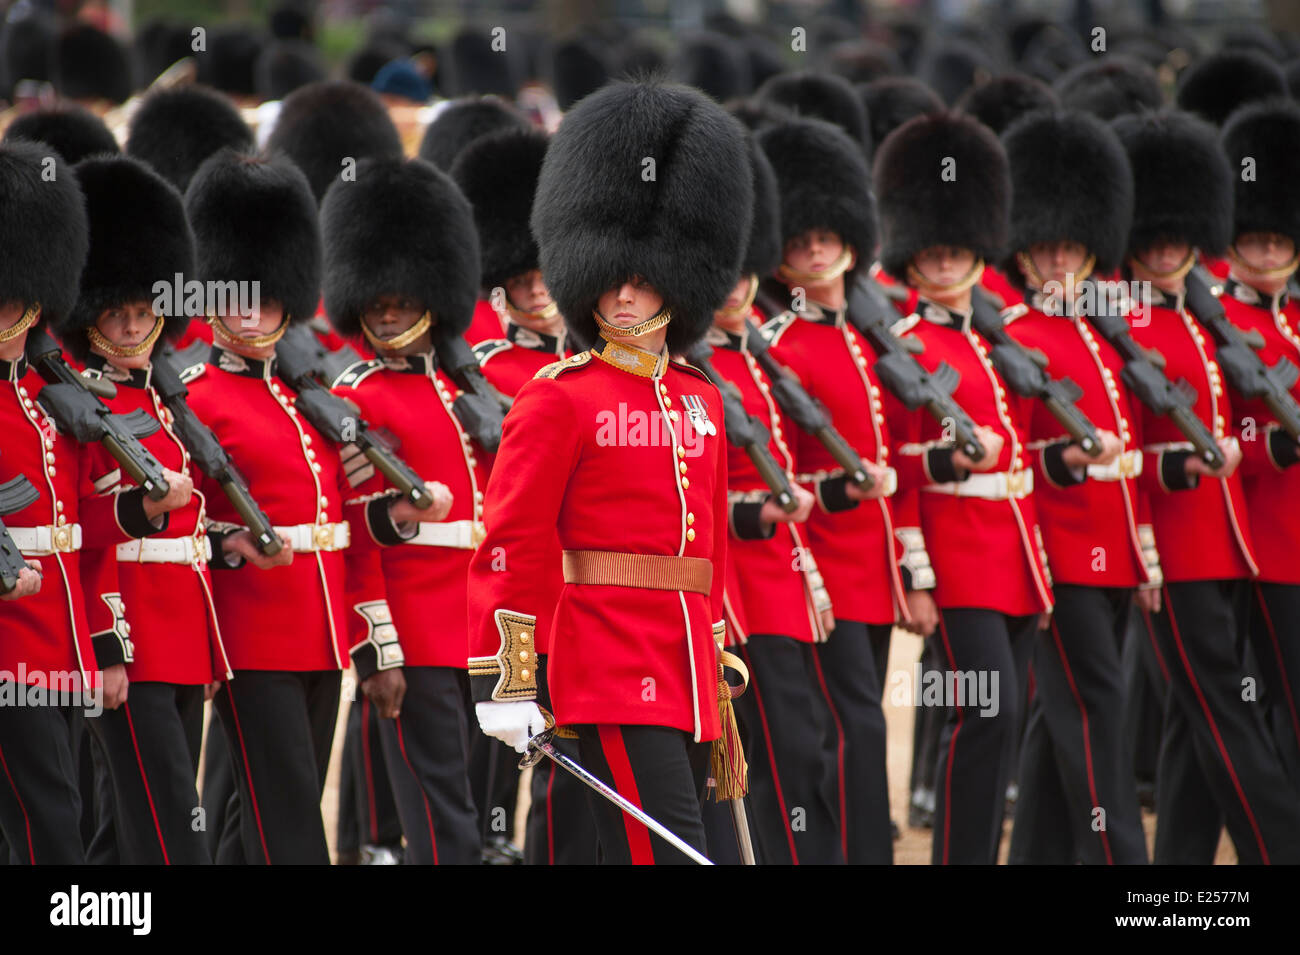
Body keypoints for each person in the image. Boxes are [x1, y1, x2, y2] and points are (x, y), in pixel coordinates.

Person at [467, 79, 752, 864]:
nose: (625, 292)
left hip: (690, 662)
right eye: (612, 275)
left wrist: (720, 637)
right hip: (608, 666)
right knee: (667, 852)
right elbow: (510, 541)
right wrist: (509, 677)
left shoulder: (701, 399)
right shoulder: (559, 398)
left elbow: (708, 543)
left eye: (644, 275)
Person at [1118, 109, 1300, 864]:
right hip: (1175, 546)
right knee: (1223, 709)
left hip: (1226, 540)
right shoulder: (1125, 321)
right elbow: (1127, 446)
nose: (1164, 250)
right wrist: (1144, 554)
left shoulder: (1200, 319)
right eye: (1151, 238)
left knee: (1195, 725)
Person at [872, 111, 1052, 865]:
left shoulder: (996, 339)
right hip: (955, 554)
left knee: (1001, 719)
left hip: (1013, 550)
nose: (944, 266)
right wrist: (916, 574)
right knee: (984, 709)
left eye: (956, 253)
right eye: (932, 255)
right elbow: (900, 468)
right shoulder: (907, 349)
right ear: (913, 261)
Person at [55, 155, 231, 864]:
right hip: (127, 638)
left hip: (183, 635)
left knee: (124, 833)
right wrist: (105, 648)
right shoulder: (77, 407)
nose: (132, 329)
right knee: (169, 828)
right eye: (117, 314)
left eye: (143, 313)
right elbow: (75, 534)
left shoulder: (162, 398)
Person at [994, 109, 1151, 864]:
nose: (1058, 264)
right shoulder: (1017, 338)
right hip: (1057, 554)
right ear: (1023, 256)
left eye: (1069, 250)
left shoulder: (1100, 332)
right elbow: (1019, 456)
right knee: (1098, 708)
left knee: (1060, 715)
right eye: (1045, 251)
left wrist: (1141, 553)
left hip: (1113, 548)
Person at [183, 149, 347, 865]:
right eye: (238, 297)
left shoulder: (300, 398)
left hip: (322, 630)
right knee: (288, 817)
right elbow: (181, 519)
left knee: (269, 808)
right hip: (248, 634)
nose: (254, 313)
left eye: (268, 298)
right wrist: (230, 544)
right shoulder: (192, 396)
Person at [322, 155, 485, 865]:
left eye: (404, 299)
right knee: (438, 805)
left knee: (479, 795)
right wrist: (377, 649)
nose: (389, 312)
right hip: (414, 627)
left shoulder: (462, 394)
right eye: (378, 301)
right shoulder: (355, 398)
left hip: (481, 622)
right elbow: (359, 537)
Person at [757, 115, 908, 863]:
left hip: (871, 564)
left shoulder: (864, 337)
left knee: (857, 718)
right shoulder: (783, 349)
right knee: (850, 726)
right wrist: (848, 493)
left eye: (827, 237)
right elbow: (790, 472)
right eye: (799, 241)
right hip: (820, 563)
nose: (815, 250)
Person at [450, 124, 599, 865]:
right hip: (509, 573)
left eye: (546, 279)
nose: (539, 294)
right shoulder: (485, 371)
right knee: (489, 753)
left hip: (574, 587)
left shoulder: (583, 372)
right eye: (525, 283)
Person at [702, 135, 842, 864]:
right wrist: (757, 513)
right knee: (748, 752)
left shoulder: (760, 357)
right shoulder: (693, 371)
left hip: (783, 577)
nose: (732, 287)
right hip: (729, 582)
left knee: (800, 742)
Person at [0, 140, 133, 864]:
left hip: (60, 637)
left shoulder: (50, 399)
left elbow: (83, 528)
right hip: (7, 646)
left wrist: (145, 510)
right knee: (49, 821)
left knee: (58, 813)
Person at [1217, 100, 1300, 786]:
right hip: (1269, 543)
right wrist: (1274, 443)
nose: (1269, 254)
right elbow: (1228, 427)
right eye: (1256, 242)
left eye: (1281, 241)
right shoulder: (1221, 325)